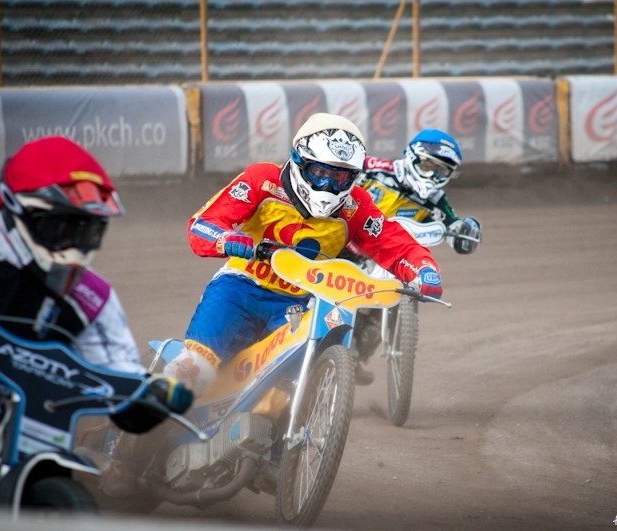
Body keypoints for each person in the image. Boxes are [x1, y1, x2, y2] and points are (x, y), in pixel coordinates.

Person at [162, 113, 444, 395]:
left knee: (298, 382)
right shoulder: (262, 179)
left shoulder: (356, 206)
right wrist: (225, 238)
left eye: (338, 177)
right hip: (239, 288)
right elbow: (203, 223)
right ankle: (158, 405)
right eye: (319, 173)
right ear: (299, 160)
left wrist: (424, 268)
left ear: (353, 177)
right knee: (195, 367)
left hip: (300, 303)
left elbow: (395, 243)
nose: (327, 185)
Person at [0, 136, 192, 471]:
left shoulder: (93, 297)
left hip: (26, 435)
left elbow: (119, 374)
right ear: (18, 211)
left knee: (57, 472)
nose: (74, 247)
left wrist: (153, 396)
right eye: (61, 227)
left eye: (87, 232)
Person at [346, 129, 483, 381]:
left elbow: (453, 224)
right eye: (428, 166)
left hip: (390, 258)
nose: (433, 175)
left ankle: (353, 356)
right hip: (346, 244)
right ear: (411, 156)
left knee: (390, 298)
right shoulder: (373, 170)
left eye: (441, 171)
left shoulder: (436, 200)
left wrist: (465, 231)